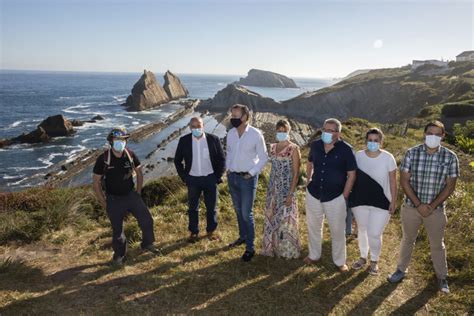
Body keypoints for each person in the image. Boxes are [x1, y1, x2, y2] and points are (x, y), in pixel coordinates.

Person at [388, 121, 459, 294]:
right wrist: (419, 205)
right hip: (411, 207)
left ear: (443, 136)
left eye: (437, 134)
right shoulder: (412, 153)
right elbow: (404, 180)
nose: (432, 137)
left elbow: (450, 186)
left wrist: (431, 206)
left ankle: (442, 277)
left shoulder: (450, 157)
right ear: (424, 134)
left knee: (437, 244)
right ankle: (400, 270)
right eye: (429, 133)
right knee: (407, 240)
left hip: (436, 211)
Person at [92, 127, 158, 265]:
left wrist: (138, 192)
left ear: (126, 141)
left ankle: (147, 243)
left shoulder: (131, 155)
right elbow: (96, 183)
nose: (120, 143)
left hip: (131, 195)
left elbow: (139, 173)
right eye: (117, 140)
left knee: (147, 220)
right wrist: (104, 203)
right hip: (113, 199)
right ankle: (119, 256)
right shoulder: (103, 159)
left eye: (122, 140)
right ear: (111, 141)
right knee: (118, 231)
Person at [305, 118, 356, 272]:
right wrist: (308, 181)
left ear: (338, 133)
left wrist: (344, 196)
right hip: (314, 193)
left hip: (335, 197)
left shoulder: (346, 150)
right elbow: (309, 162)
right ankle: (314, 255)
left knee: (337, 230)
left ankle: (340, 261)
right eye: (324, 129)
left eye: (330, 130)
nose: (326, 133)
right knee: (313, 226)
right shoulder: (315, 145)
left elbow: (352, 174)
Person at [348, 128, 397, 275]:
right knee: (362, 230)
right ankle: (363, 257)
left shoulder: (388, 158)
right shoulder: (359, 156)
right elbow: (352, 176)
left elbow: (393, 182)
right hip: (360, 201)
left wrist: (393, 201)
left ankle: (374, 261)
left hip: (382, 201)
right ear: (366, 141)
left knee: (374, 233)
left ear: (381, 142)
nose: (372, 143)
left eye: (376, 140)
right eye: (370, 140)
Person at [226, 104, 268, 262]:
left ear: (245, 117)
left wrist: (251, 173)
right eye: (232, 115)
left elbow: (264, 157)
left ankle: (250, 247)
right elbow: (229, 153)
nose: (233, 118)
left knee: (246, 213)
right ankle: (242, 237)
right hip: (233, 177)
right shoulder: (230, 133)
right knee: (238, 210)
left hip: (247, 179)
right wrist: (228, 168)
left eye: (236, 115)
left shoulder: (256, 134)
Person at [174, 117, 226, 243]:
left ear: (203, 126)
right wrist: (184, 177)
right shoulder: (184, 140)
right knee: (192, 207)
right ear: (189, 127)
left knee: (211, 207)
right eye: (193, 126)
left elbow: (222, 159)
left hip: (210, 178)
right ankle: (193, 232)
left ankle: (211, 231)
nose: (196, 128)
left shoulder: (213, 139)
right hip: (192, 179)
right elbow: (177, 160)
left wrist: (217, 176)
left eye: (199, 125)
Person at [262, 120, 301, 259]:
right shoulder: (272, 147)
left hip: (286, 191)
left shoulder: (294, 149)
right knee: (271, 218)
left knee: (285, 220)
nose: (281, 133)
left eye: (284, 131)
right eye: (279, 130)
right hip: (272, 190)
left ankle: (286, 250)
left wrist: (290, 194)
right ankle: (271, 248)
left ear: (289, 131)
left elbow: (296, 174)